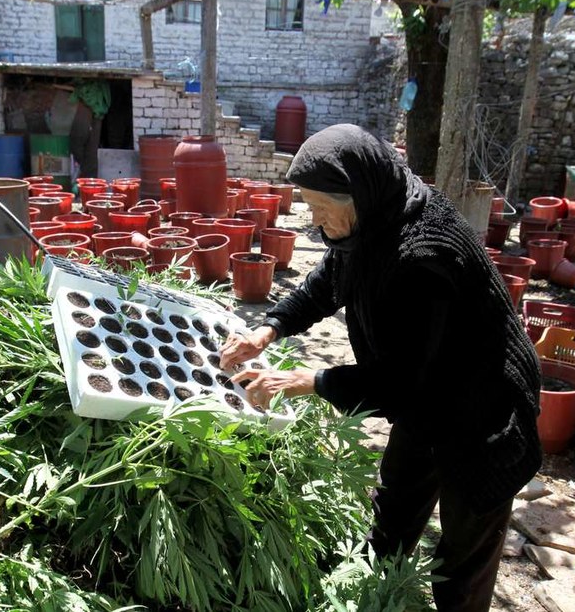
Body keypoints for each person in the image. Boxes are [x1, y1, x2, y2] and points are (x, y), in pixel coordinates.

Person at [221, 124, 542, 612]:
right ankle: (373, 591)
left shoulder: (422, 255)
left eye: (321, 207)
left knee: (462, 557)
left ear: (358, 194)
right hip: (426, 399)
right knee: (394, 509)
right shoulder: (374, 216)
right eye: (309, 205)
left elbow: (400, 382)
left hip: (482, 410)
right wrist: (270, 329)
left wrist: (310, 381)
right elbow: (330, 278)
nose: (314, 218)